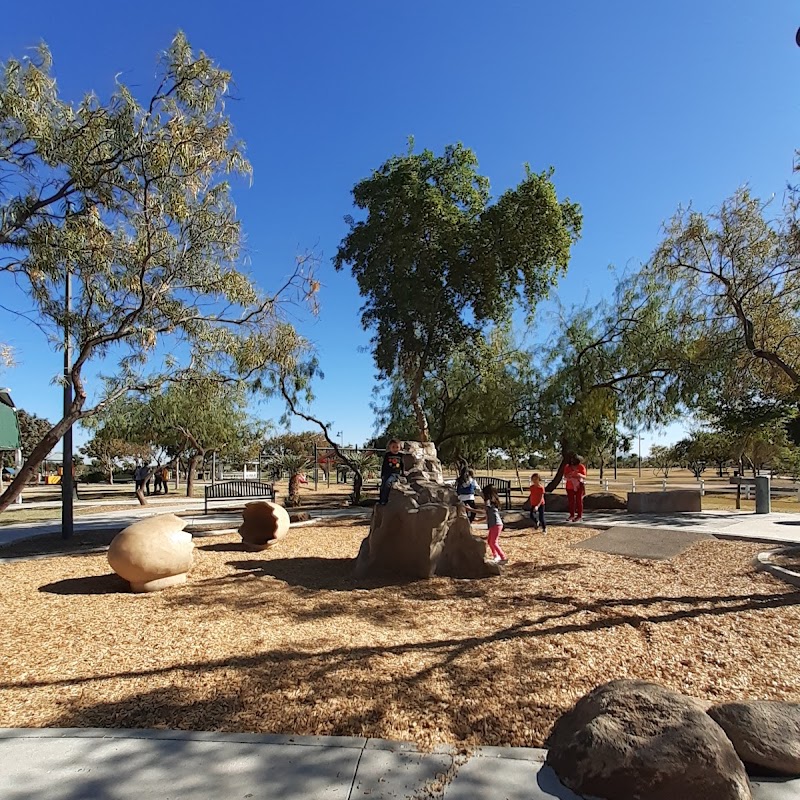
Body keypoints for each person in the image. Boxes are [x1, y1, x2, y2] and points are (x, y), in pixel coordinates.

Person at [474, 484, 507, 564]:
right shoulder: (493, 501)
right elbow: (488, 514)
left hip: (496, 524)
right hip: (494, 524)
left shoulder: (489, 502)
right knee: (490, 541)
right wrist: (478, 520)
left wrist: (470, 509)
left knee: (493, 542)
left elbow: (484, 511)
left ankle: (503, 557)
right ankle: (496, 556)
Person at [379, 439, 404, 505]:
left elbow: (402, 465)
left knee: (388, 483)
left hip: (395, 474)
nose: (395, 449)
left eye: (397, 447)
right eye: (393, 447)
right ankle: (381, 499)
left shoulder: (400, 455)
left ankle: (385, 500)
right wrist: (382, 475)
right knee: (382, 485)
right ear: (389, 447)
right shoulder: (387, 455)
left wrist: (403, 474)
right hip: (387, 473)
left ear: (400, 447)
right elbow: (384, 465)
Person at [563, 454, 587, 522]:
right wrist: (569, 475)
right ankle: (572, 515)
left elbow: (584, 476)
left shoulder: (581, 466)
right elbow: (565, 476)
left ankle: (579, 516)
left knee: (579, 500)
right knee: (571, 501)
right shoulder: (567, 467)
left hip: (579, 485)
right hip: (570, 486)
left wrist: (579, 475)